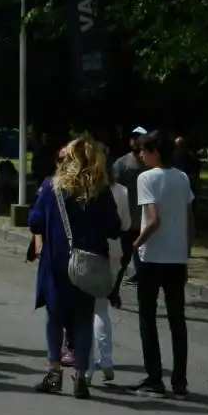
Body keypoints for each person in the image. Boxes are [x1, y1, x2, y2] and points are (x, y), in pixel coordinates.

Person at [29, 136, 120, 399]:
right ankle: (80, 375)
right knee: (83, 319)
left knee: (55, 317)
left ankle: (55, 371)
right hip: (88, 263)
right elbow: (114, 227)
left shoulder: (52, 186)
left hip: (57, 261)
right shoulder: (100, 189)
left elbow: (35, 223)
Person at [132, 130, 194, 398]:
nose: (141, 156)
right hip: (176, 257)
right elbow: (190, 220)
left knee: (148, 318)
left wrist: (135, 243)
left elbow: (153, 219)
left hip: (152, 257)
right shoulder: (182, 177)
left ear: (155, 152)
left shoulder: (146, 177)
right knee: (177, 320)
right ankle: (179, 381)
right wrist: (186, 251)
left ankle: (154, 377)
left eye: (144, 151)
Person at [87, 164, 131, 385]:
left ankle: (86, 368)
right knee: (101, 309)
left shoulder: (83, 188)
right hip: (112, 252)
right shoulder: (121, 191)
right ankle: (107, 360)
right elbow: (127, 224)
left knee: (84, 311)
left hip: (87, 253)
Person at [112, 127, 147, 284]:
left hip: (145, 217)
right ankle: (115, 287)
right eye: (133, 138)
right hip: (126, 217)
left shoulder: (150, 163)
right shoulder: (121, 163)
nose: (135, 141)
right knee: (124, 254)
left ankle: (141, 277)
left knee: (143, 251)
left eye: (139, 138)